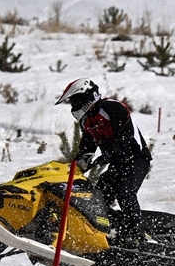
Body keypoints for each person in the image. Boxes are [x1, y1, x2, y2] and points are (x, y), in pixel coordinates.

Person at [55, 79, 152, 244]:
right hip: (117, 162)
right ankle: (112, 229)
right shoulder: (86, 121)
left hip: (137, 158)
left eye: (74, 101)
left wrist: (109, 154)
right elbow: (87, 146)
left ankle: (136, 235)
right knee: (98, 197)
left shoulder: (112, 107)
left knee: (125, 192)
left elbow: (126, 136)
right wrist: (81, 162)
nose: (73, 106)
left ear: (86, 97)